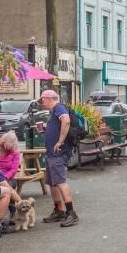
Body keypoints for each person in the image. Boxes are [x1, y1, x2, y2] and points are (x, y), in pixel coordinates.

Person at [38, 89, 78, 227]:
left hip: (58, 153)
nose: (42, 103)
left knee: (60, 181)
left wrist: (60, 141)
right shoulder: (53, 111)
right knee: (52, 182)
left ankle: (71, 213)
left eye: (43, 100)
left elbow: (66, 121)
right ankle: (59, 210)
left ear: (49, 98)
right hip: (51, 153)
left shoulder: (59, 107)